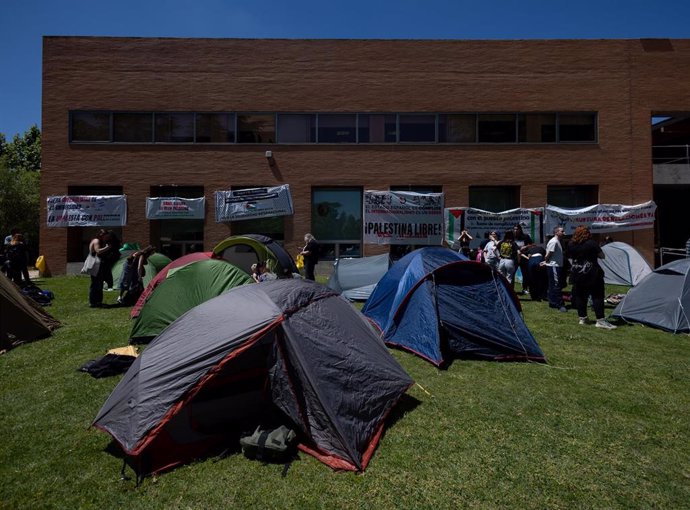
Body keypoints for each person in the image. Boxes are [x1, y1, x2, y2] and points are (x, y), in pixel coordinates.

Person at [567, 226, 617, 329]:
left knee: (580, 296)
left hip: (577, 272)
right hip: (592, 273)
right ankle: (600, 320)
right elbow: (602, 256)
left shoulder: (571, 244)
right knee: (597, 296)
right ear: (587, 234)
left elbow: (569, 256)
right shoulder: (591, 243)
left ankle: (582, 318)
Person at [542, 226, 567, 312]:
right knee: (556, 285)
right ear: (556, 232)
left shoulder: (557, 241)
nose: (564, 233)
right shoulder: (554, 241)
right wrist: (546, 260)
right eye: (562, 231)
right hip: (554, 266)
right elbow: (550, 253)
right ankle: (560, 304)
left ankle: (552, 302)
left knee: (553, 285)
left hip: (556, 266)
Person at [513, 223, 533, 294]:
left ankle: (525, 288)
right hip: (515, 257)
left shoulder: (525, 236)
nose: (515, 230)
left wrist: (526, 246)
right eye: (514, 229)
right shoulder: (512, 237)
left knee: (525, 273)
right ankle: (512, 289)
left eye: (517, 229)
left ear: (520, 229)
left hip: (524, 257)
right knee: (512, 273)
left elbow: (531, 244)